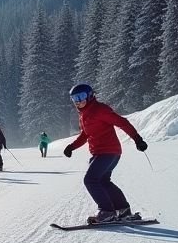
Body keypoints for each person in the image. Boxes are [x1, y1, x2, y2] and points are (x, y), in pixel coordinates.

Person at [63, 83, 148, 224]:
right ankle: (123, 210)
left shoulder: (100, 109)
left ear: (90, 96)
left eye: (81, 96)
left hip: (109, 151)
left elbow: (122, 122)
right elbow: (85, 135)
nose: (78, 101)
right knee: (103, 181)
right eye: (74, 98)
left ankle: (107, 212)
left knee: (90, 180)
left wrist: (138, 139)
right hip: (98, 153)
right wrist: (71, 147)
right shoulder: (84, 115)